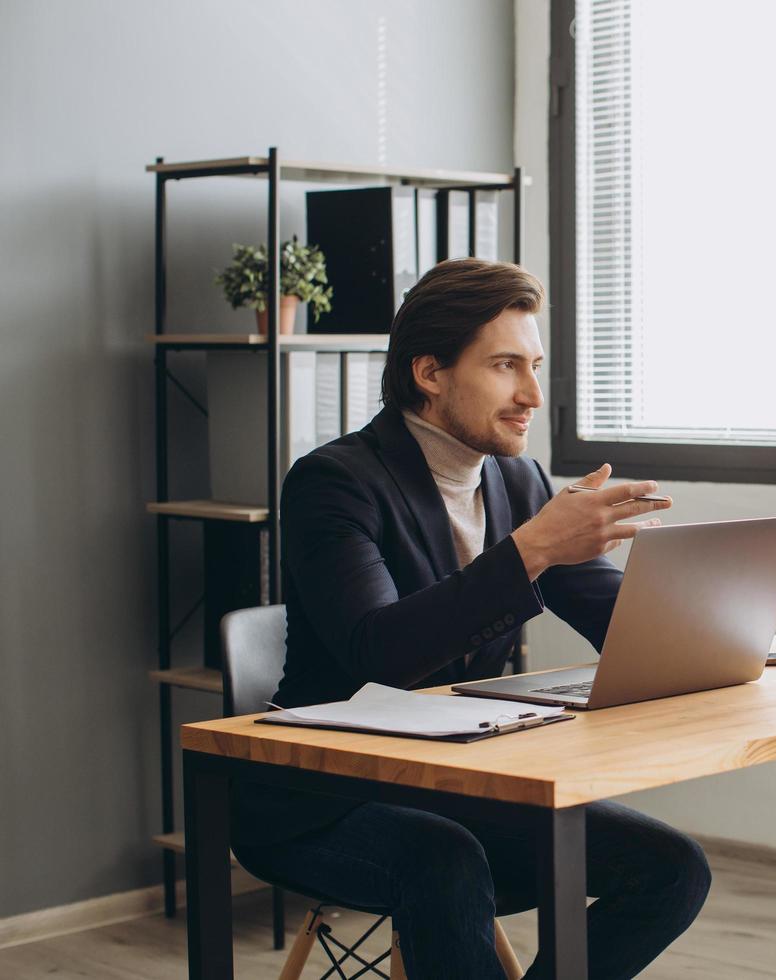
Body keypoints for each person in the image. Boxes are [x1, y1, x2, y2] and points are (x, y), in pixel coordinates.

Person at [230, 259, 710, 979]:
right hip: (321, 799)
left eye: (536, 366)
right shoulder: (333, 482)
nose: (533, 395)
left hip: (454, 782)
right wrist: (536, 547)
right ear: (430, 372)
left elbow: (613, 620)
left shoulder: (517, 480)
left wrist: (719, 639)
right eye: (507, 366)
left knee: (672, 868)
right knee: (445, 862)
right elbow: (378, 655)